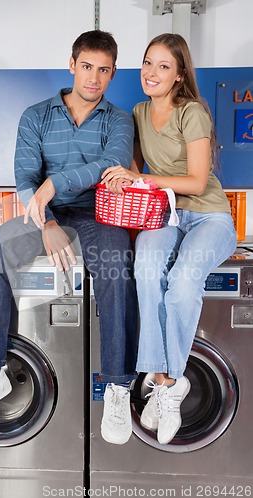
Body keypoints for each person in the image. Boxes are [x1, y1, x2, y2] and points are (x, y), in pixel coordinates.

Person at [0, 30, 138, 446]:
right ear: (72, 65)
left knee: (116, 261)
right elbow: (24, 179)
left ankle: (119, 387)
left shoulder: (120, 120)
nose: (94, 78)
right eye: (87, 67)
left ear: (112, 73)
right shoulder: (36, 115)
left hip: (99, 213)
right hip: (45, 215)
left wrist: (56, 182)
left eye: (104, 70)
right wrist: (49, 222)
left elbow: (112, 164)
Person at [101, 33, 237, 445]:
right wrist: (119, 178)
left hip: (207, 216)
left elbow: (196, 181)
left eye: (163, 66)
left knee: (181, 284)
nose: (152, 72)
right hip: (165, 216)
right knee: (145, 271)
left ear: (179, 76)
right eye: (147, 63)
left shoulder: (191, 111)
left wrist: (139, 177)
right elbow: (134, 173)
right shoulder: (138, 113)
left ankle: (168, 381)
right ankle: (164, 384)